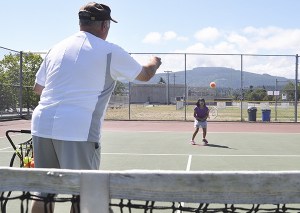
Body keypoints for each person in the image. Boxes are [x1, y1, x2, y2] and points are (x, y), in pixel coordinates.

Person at [30, 2, 162, 213]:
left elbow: (38, 88)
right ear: (105, 25)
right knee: (84, 195)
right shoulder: (110, 51)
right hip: (78, 130)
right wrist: (154, 61)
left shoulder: (56, 48)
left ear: (80, 23)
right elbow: (145, 75)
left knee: (43, 192)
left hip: (41, 124)